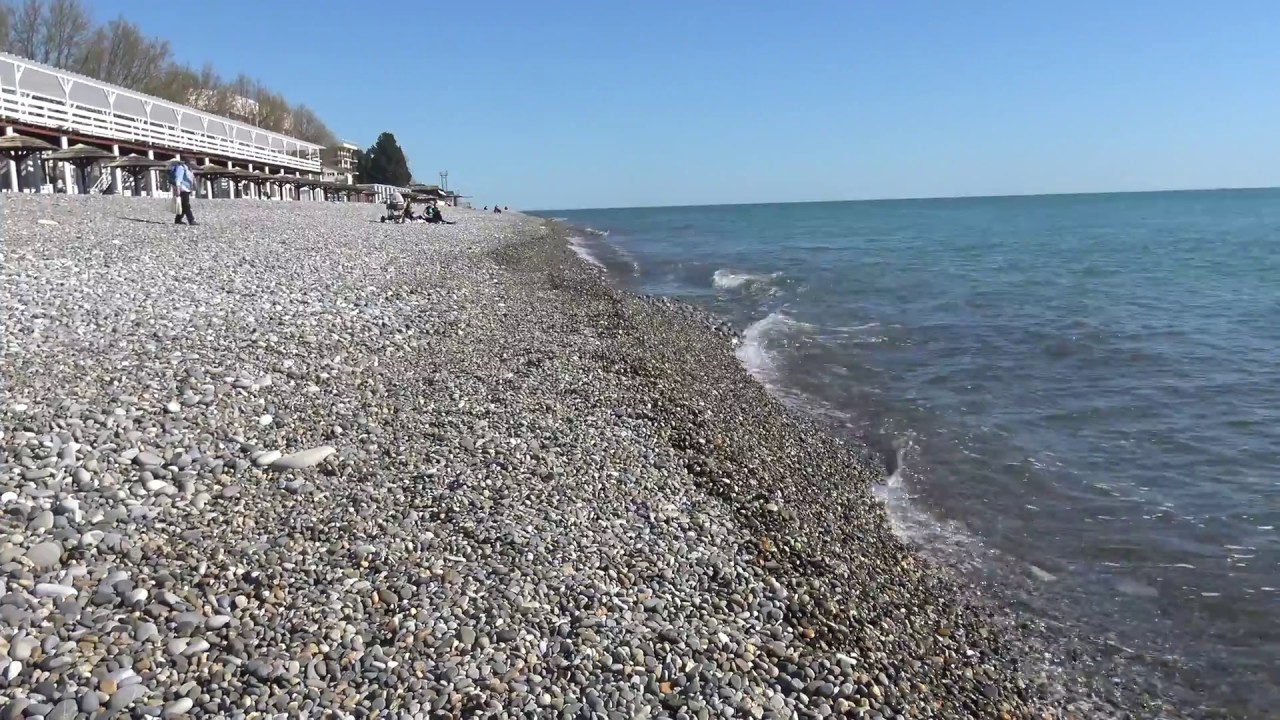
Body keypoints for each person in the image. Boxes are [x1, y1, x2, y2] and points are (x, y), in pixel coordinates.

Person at [168, 159, 197, 225]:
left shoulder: (189, 169)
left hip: (187, 188)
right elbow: (178, 178)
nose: (193, 165)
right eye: (192, 164)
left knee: (183, 205)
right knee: (186, 205)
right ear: (188, 163)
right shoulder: (181, 168)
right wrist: (177, 189)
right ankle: (191, 220)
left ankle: (178, 220)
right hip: (182, 188)